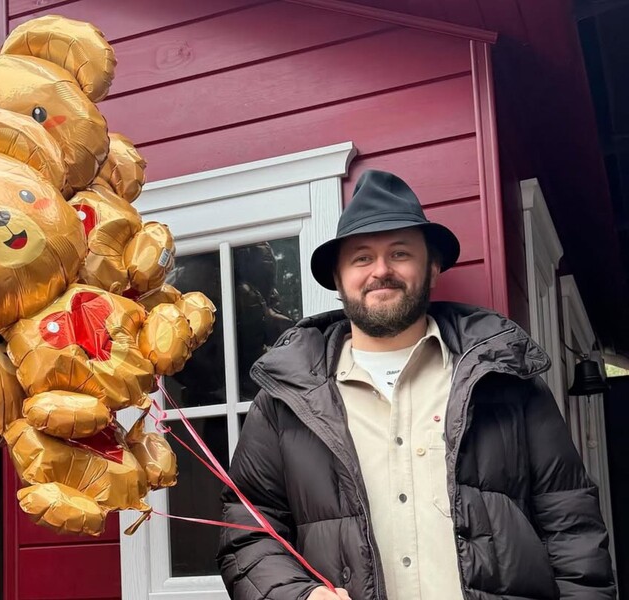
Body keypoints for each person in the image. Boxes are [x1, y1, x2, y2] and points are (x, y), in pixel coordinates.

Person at [216, 170, 615, 600]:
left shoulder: (504, 381)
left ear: (433, 267)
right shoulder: (283, 402)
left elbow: (572, 527)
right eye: (361, 257)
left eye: (400, 253)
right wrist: (298, 597)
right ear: (338, 277)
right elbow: (246, 533)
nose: (381, 271)